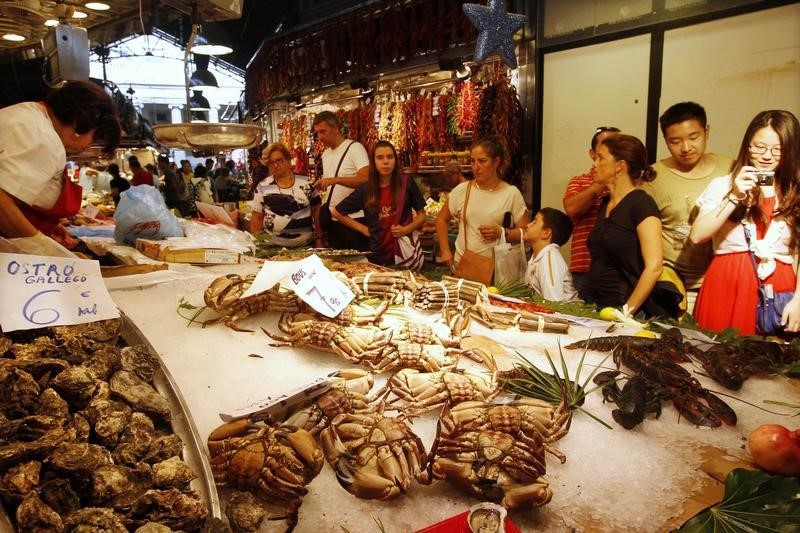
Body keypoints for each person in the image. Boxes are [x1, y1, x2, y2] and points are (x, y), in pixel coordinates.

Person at [690, 110, 799, 335]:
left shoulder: (795, 191)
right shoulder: (723, 185)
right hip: (727, 282)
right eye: (759, 146)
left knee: (772, 365)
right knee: (716, 359)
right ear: (747, 146)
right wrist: (734, 196)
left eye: (778, 149)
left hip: (780, 287)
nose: (767, 156)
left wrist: (799, 300)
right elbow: (698, 235)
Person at [0, 80, 120, 255]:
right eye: (94, 137)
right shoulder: (43, 137)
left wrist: (46, 227)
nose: (87, 147)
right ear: (79, 123)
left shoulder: (29, 116)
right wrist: (42, 247)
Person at [640, 102, 734, 310]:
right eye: (675, 141)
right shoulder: (652, 178)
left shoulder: (729, 168)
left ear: (706, 131)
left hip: (721, 281)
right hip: (674, 285)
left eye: (693, 138)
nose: (685, 148)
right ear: (665, 141)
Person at [585, 134, 681, 318]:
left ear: (619, 166)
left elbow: (654, 266)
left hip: (626, 310)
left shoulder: (641, 203)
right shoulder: (605, 203)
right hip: (598, 306)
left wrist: (626, 312)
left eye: (601, 158)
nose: (594, 163)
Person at [436, 135, 529, 274]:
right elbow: (441, 219)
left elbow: (526, 233)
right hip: (464, 264)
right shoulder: (462, 190)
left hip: (497, 270)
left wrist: (502, 232)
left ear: (496, 162)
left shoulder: (511, 193)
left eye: (482, 161)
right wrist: (445, 251)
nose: (475, 167)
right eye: (472, 161)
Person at [333, 141, 427, 266]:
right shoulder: (365, 190)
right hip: (378, 254)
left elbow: (422, 214)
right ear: (373, 162)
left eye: (390, 157)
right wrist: (363, 229)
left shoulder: (406, 183)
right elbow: (337, 212)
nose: (385, 162)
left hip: (405, 253)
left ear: (395, 160)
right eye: (380, 158)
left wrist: (406, 229)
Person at [562, 126, 619, 297]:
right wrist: (598, 187)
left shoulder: (628, 185)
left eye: (617, 145)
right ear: (593, 154)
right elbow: (571, 209)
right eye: (606, 145)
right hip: (584, 267)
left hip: (617, 270)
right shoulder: (579, 181)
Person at [312, 110, 370, 250]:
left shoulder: (354, 148)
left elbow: (366, 179)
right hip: (333, 222)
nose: (320, 137)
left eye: (323, 131)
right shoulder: (325, 154)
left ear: (336, 128)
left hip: (354, 219)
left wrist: (335, 180)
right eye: (317, 133)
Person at [250, 142, 322, 248]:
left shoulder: (306, 182)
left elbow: (316, 211)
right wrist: (257, 245)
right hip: (273, 249)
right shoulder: (262, 186)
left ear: (288, 160)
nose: (275, 165)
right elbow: (257, 217)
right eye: (271, 162)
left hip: (306, 246)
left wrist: (320, 238)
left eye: (279, 160)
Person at [524, 207, 580, 302]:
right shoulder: (537, 257)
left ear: (546, 233)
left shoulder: (549, 259)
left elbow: (553, 304)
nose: (527, 225)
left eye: (534, 222)